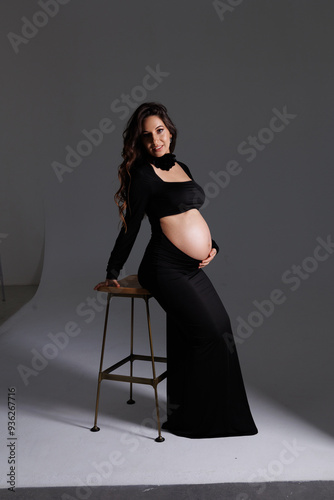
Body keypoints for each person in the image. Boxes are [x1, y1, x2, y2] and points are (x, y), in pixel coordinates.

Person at [94, 102, 258, 439]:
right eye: (146, 136)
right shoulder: (142, 175)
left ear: (169, 131)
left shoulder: (182, 166)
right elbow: (131, 227)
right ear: (139, 143)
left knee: (221, 329)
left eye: (159, 131)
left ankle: (212, 413)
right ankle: (197, 420)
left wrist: (212, 245)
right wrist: (113, 268)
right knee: (208, 334)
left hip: (190, 265)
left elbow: (188, 212)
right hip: (163, 266)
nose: (155, 140)